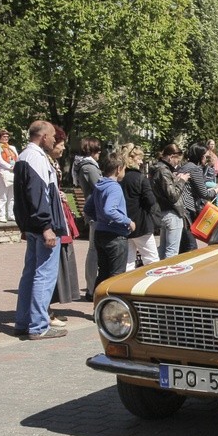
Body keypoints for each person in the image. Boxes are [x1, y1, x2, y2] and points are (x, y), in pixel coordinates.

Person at [12, 120, 68, 340]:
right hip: (43, 226)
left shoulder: (25, 156)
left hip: (34, 225)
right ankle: (38, 325)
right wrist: (47, 226)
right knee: (44, 275)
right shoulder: (36, 158)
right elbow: (38, 196)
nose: (55, 139)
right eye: (53, 135)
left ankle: (23, 321)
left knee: (30, 274)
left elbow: (26, 197)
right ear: (44, 136)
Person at [84, 153, 135, 288]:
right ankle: (112, 308)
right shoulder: (114, 187)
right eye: (124, 169)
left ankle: (98, 306)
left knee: (103, 274)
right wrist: (127, 221)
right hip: (115, 236)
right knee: (116, 276)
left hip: (100, 233)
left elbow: (88, 208)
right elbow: (109, 210)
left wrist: (100, 219)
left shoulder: (99, 185)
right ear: (118, 169)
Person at [48, 126, 80, 327]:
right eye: (60, 144)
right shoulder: (44, 161)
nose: (63, 148)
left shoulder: (53, 162)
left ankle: (48, 309)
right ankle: (45, 311)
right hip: (52, 219)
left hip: (60, 214)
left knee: (60, 262)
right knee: (50, 267)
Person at [178, 144, 218, 253]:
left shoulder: (185, 166)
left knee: (182, 246)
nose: (206, 159)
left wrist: (215, 186)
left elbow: (196, 187)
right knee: (190, 247)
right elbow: (204, 194)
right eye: (205, 156)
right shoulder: (195, 169)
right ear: (199, 156)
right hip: (187, 210)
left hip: (181, 209)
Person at [119, 143, 159, 271]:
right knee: (152, 260)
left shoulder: (119, 177)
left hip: (124, 224)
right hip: (141, 224)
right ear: (132, 159)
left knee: (128, 263)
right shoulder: (140, 178)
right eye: (140, 158)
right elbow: (151, 201)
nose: (141, 162)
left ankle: (126, 289)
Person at [72, 136, 102, 301]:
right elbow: (101, 186)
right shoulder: (88, 167)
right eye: (97, 150)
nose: (99, 154)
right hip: (96, 212)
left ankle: (91, 286)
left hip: (94, 211)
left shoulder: (86, 165)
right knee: (94, 251)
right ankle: (91, 287)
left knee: (94, 250)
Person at [150, 144, 190, 259]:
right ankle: (168, 275)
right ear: (171, 156)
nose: (177, 163)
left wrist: (175, 180)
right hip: (172, 213)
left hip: (161, 211)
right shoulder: (163, 171)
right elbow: (173, 195)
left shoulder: (156, 169)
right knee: (172, 252)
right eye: (177, 159)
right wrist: (182, 181)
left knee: (162, 250)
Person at [0, 128, 18, 222]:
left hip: (13, 173)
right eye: (4, 136)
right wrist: (10, 167)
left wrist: (17, 167)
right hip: (2, 172)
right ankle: (1, 215)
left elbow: (17, 158)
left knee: (12, 196)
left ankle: (11, 215)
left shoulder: (12, 147)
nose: (6, 138)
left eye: (7, 136)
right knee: (3, 195)